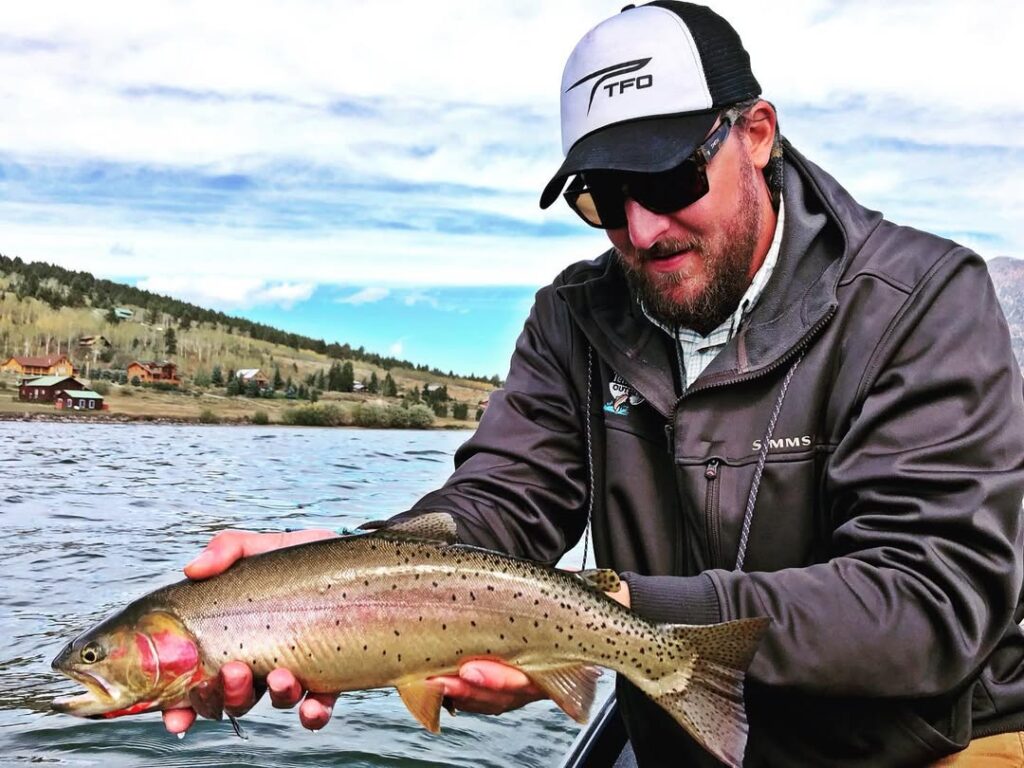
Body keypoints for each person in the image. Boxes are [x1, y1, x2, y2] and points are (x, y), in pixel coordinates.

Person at [165, 2, 1024, 765]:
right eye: (606, 198)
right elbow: (503, 501)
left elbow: (927, 604)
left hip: (936, 746)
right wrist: (345, 580)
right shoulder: (575, 317)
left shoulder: (924, 301)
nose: (642, 228)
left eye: (668, 177)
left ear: (756, 134)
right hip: (684, 735)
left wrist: (606, 611)